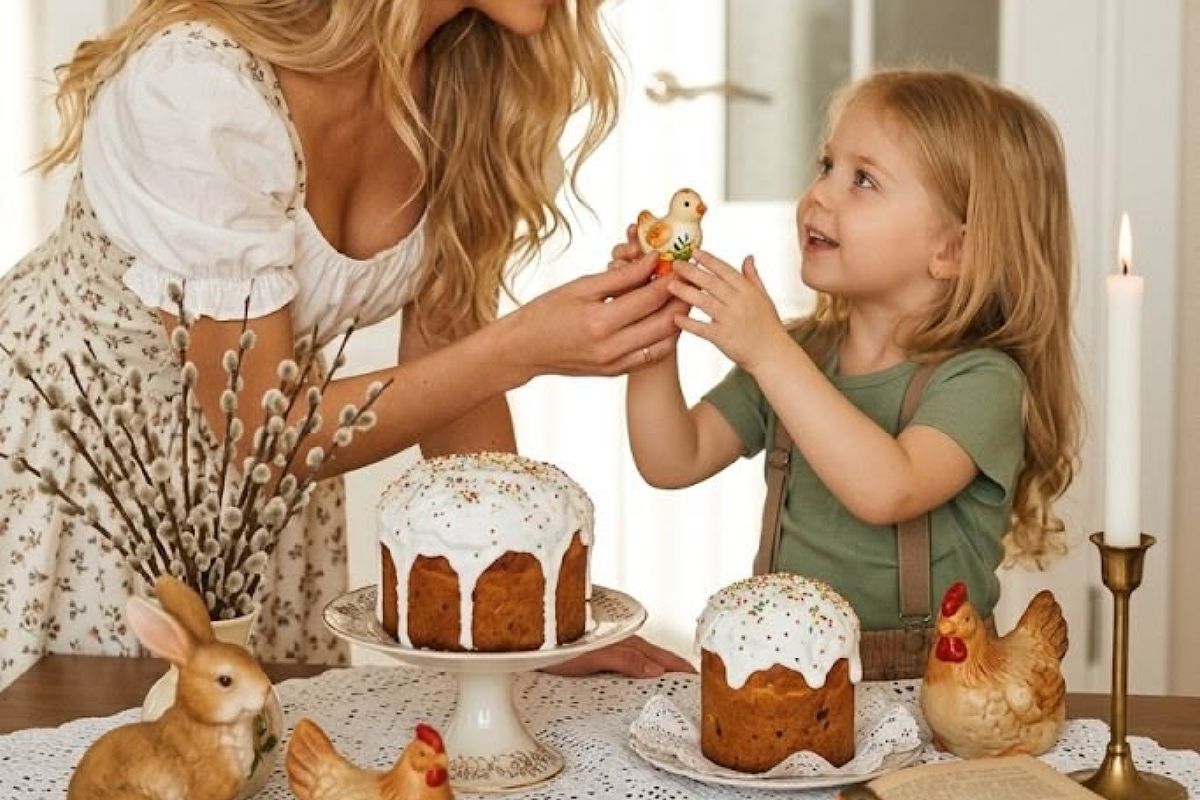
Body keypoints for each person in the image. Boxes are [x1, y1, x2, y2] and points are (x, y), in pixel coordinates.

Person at [0, 0, 690, 691]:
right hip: (74, 476)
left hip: (254, 517)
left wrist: (524, 617)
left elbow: (452, 371)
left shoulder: (465, 84)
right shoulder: (198, 85)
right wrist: (521, 349)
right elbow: (261, 435)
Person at [620, 69, 1082, 677]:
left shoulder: (981, 383)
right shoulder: (799, 354)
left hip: (929, 685)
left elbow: (888, 489)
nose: (819, 194)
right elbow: (672, 458)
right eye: (826, 166)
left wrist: (768, 352)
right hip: (785, 671)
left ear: (952, 251)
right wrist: (652, 335)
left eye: (863, 179)